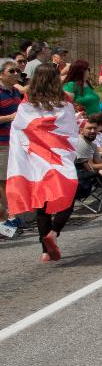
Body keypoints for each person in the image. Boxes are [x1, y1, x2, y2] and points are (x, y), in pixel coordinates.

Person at [7, 65, 84, 260]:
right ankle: (54, 233)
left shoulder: (26, 103)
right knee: (68, 193)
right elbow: (69, 128)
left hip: (36, 158)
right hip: (58, 157)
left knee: (42, 203)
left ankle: (44, 252)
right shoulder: (64, 103)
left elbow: (20, 129)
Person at [0, 58, 24, 237]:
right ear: (1, 74)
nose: (17, 74)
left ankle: (12, 216)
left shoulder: (16, 92)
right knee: (4, 182)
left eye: (18, 71)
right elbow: (12, 116)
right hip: (1, 144)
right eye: (12, 71)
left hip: (15, 142)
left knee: (14, 180)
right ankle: (8, 218)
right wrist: (10, 117)